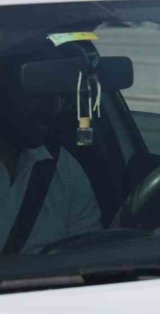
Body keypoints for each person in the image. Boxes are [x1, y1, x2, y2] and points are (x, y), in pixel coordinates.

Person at [0, 62, 101, 254]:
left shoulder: (63, 168)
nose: (55, 107)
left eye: (60, 95)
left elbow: (87, 255)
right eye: (38, 94)